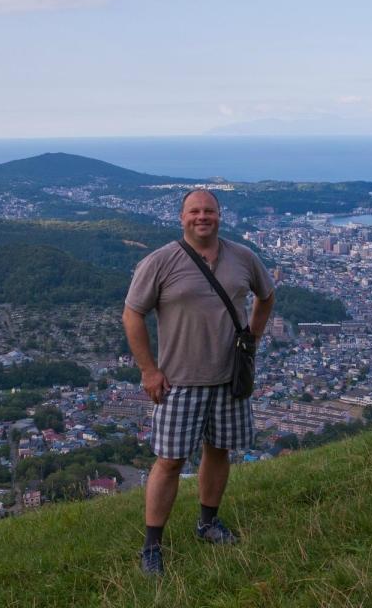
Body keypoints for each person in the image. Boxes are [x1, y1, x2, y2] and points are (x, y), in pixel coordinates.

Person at [122, 188, 275, 576]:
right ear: (181, 217)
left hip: (229, 378)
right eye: (194, 211)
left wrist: (251, 339)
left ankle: (207, 523)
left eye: (209, 210)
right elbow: (132, 315)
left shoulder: (243, 257)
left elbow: (266, 295)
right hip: (179, 381)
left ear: (219, 216)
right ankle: (152, 546)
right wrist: (149, 370)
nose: (202, 217)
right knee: (170, 461)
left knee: (219, 450)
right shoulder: (160, 261)